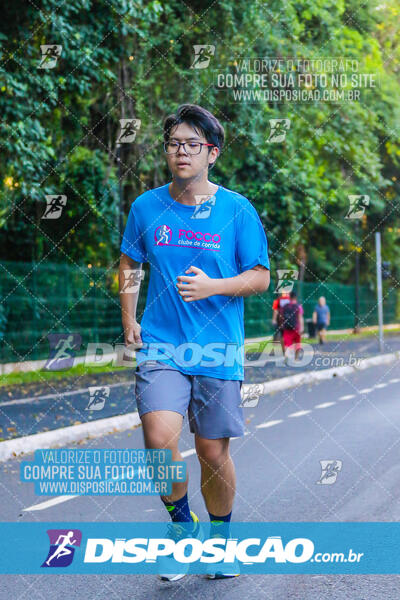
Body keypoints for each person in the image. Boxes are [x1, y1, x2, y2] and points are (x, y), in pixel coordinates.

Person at [119, 104, 270, 581]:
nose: (180, 152)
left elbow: (261, 278)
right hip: (162, 345)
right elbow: (129, 265)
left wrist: (214, 286)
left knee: (211, 452)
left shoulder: (236, 210)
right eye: (173, 144)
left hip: (217, 347)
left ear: (212, 154)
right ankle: (183, 534)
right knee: (159, 438)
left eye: (192, 145)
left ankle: (221, 542)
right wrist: (129, 321)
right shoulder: (146, 206)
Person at [282, 290, 304, 360]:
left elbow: (282, 318)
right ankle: (296, 358)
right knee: (297, 343)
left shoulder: (285, 306)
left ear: (289, 297)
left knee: (287, 344)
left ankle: (286, 355)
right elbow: (300, 318)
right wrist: (302, 327)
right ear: (295, 297)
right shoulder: (298, 306)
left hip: (287, 328)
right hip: (296, 328)